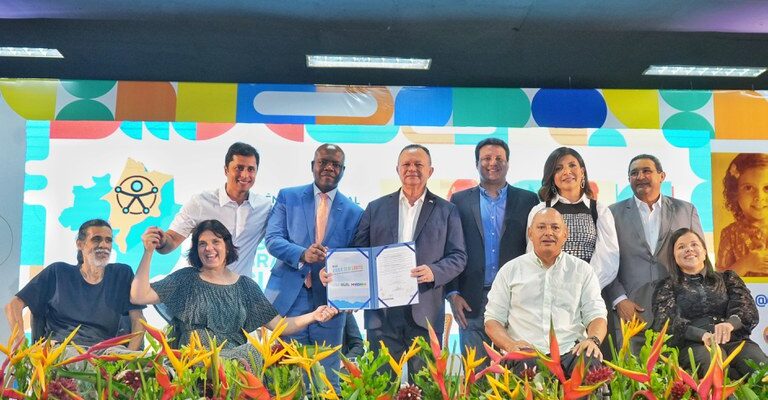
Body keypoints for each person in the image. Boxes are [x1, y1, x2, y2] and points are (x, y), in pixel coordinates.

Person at [132, 220, 338, 359]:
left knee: (255, 353)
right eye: (202, 244)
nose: (209, 248)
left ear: (227, 246)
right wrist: (148, 252)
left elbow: (280, 326)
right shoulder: (185, 279)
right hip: (192, 370)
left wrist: (313, 315)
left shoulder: (246, 286)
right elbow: (139, 295)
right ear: (196, 249)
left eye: (216, 242)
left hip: (235, 374)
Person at [350, 144, 466, 378]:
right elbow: (358, 253)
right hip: (382, 315)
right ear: (397, 169)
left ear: (430, 171)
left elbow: (459, 256)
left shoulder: (447, 210)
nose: (412, 169)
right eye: (406, 164)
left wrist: (434, 271)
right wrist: (349, 287)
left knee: (423, 387)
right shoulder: (376, 207)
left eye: (418, 164)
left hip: (424, 313)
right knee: (379, 386)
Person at [263, 144, 362, 388]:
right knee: (286, 379)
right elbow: (273, 239)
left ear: (343, 170)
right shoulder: (288, 196)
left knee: (326, 380)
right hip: (288, 299)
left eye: (335, 164)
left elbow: (357, 259)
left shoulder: (355, 212)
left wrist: (353, 292)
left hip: (330, 302)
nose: (329, 167)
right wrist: (302, 254)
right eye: (323, 162)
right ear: (313, 166)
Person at [446, 138, 538, 362]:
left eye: (499, 158)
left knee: (518, 373)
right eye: (486, 158)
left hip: (517, 299)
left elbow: (534, 249)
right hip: (471, 301)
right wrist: (452, 293)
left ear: (508, 163)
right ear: (477, 163)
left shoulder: (529, 200)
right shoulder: (458, 201)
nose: (492, 163)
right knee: (476, 375)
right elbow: (448, 248)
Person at [485, 208, 607, 374]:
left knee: (590, 363)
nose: (548, 233)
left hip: (570, 351)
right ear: (530, 233)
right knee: (523, 364)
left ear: (565, 234)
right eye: (541, 227)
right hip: (526, 352)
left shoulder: (582, 270)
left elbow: (597, 315)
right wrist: (510, 345)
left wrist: (593, 340)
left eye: (555, 228)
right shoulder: (510, 270)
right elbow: (492, 320)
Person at [5, 219, 145, 350]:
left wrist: (129, 361)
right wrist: (21, 346)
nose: (104, 245)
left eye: (108, 240)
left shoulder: (122, 274)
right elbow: (13, 306)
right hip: (62, 351)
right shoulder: (58, 272)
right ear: (80, 244)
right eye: (96, 239)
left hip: (104, 354)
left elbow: (138, 320)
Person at [604, 155, 703, 334]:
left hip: (680, 311)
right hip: (631, 313)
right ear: (629, 180)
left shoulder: (686, 211)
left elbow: (699, 259)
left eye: (646, 171)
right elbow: (606, 263)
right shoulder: (611, 213)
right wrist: (619, 300)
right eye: (634, 173)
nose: (640, 176)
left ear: (662, 176)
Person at [652, 228, 767, 378]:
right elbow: (666, 321)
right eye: (681, 247)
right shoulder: (666, 286)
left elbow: (746, 308)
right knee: (712, 362)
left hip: (734, 340)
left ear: (705, 251)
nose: (689, 249)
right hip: (694, 345)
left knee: (758, 364)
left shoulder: (728, 278)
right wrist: (702, 335)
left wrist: (730, 324)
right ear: (674, 257)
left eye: (694, 244)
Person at [151, 142, 271, 277]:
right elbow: (171, 240)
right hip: (199, 289)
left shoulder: (265, 208)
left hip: (240, 291)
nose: (244, 175)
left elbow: (281, 239)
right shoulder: (200, 203)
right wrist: (161, 241)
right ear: (226, 170)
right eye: (239, 168)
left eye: (250, 169)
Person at [527, 147, 619, 289]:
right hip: (548, 292)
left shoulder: (600, 210)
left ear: (582, 171)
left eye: (572, 165)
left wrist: (583, 288)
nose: (566, 172)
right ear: (552, 176)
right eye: (558, 168)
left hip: (589, 294)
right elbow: (532, 256)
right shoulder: (539, 211)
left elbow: (608, 260)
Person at [717, 153, 768, 276]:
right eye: (749, 188)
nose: (759, 197)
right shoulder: (729, 235)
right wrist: (745, 264)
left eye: (767, 188)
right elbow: (720, 282)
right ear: (735, 193)